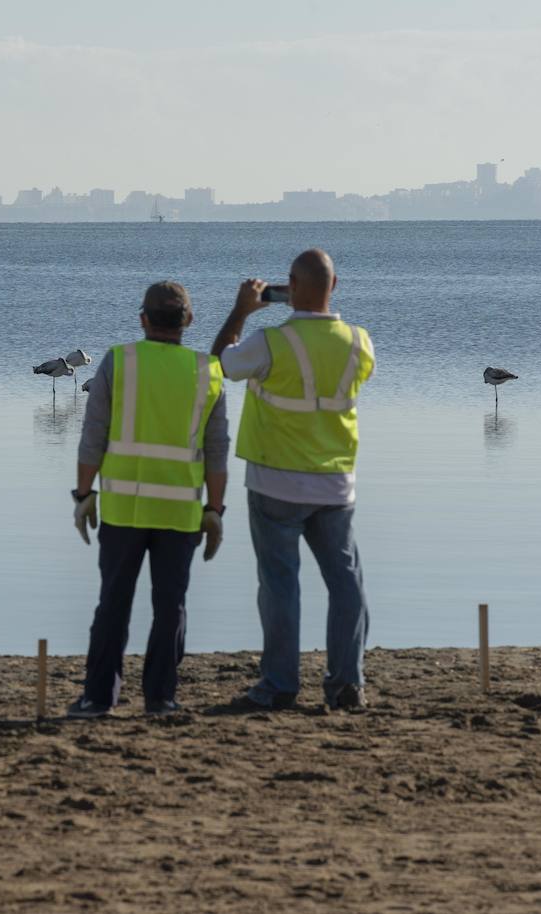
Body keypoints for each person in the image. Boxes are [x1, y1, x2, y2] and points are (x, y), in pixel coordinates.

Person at [210, 249, 375, 711]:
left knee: (281, 586)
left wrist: (241, 311)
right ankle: (347, 682)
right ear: (335, 285)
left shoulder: (269, 342)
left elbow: (220, 363)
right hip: (335, 482)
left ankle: (280, 684)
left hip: (275, 480)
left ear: (291, 287)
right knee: (345, 582)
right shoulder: (361, 342)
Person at [69, 281, 229, 717]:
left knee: (113, 604)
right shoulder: (207, 371)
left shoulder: (119, 363)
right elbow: (217, 451)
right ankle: (161, 697)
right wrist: (215, 510)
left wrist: (83, 496)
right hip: (181, 512)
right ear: (189, 322)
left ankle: (99, 698)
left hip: (124, 508)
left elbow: (92, 439)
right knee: (170, 606)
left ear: (142, 319)